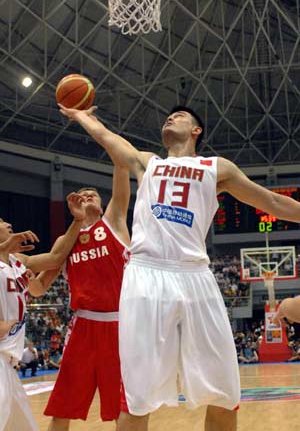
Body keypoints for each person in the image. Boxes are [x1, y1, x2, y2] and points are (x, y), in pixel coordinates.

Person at [59, 102, 300, 431]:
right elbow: (106, 136)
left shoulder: (217, 168)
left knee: (224, 393)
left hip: (196, 276)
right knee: (136, 396)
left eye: (180, 116)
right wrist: (81, 115)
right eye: (168, 117)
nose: (170, 118)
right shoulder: (148, 163)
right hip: (146, 274)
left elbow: (271, 201)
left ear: (196, 131)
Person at [44, 166, 130, 431]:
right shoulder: (67, 240)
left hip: (119, 326)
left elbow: (121, 170)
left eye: (94, 194)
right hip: (83, 326)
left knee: (122, 409)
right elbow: (38, 287)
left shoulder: (114, 222)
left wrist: (112, 145)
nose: (89, 195)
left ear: (103, 205)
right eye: (83, 194)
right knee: (62, 407)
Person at [0, 193, 86, 431]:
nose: (8, 223)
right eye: (1, 222)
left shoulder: (18, 262)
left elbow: (54, 259)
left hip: (8, 363)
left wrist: (77, 222)